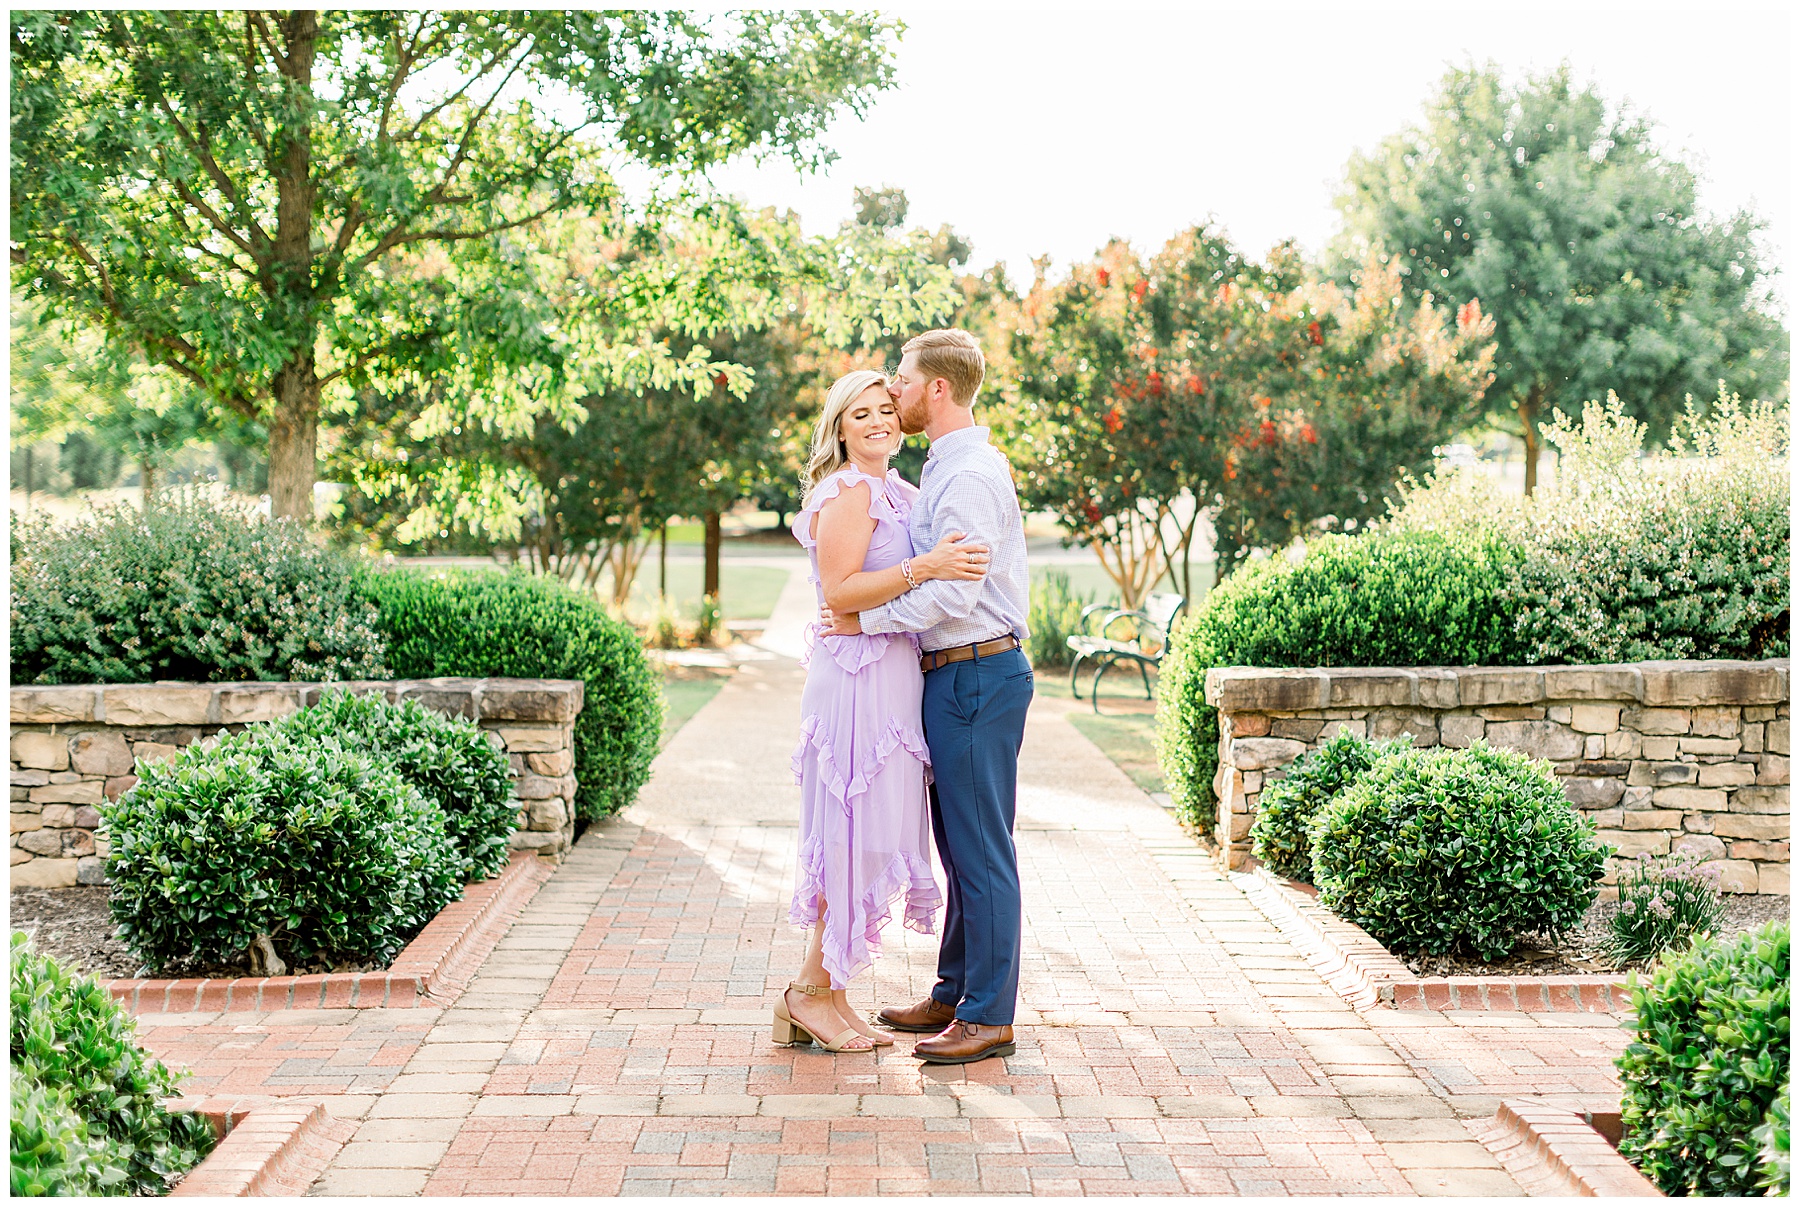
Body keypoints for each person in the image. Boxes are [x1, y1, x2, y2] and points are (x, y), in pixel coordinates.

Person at [823, 329, 1033, 1066]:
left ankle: (988, 1015)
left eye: (903, 380)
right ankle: (954, 991)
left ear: (934, 388)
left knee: (982, 852)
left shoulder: (968, 473)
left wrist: (864, 617)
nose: (896, 391)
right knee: (960, 844)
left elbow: (954, 589)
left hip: (976, 669)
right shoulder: (944, 467)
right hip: (954, 673)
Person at [777, 368, 993, 1053]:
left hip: (893, 683)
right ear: (840, 428)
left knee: (866, 840)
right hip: (853, 683)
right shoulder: (845, 491)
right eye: (860, 414)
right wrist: (923, 568)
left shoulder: (899, 492)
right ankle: (811, 992)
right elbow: (841, 594)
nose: (878, 422)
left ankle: (825, 993)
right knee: (846, 834)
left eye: (885, 409)